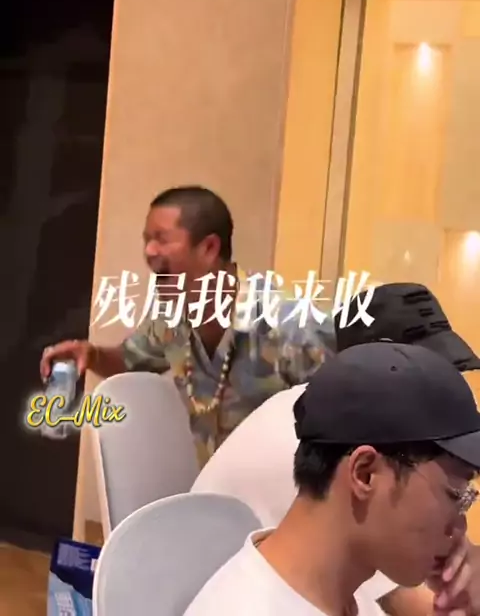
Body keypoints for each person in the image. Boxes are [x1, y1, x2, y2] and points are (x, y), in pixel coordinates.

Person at [192, 283, 480, 616]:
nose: (461, 528)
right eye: (455, 495)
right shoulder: (310, 443)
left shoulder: (341, 586)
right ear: (365, 473)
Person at [40, 185, 337, 465]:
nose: (149, 252)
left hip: (282, 495)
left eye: (162, 238)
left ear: (209, 248)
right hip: (211, 491)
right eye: (146, 240)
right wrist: (92, 355)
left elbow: (343, 428)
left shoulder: (292, 326)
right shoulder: (170, 318)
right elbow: (130, 360)